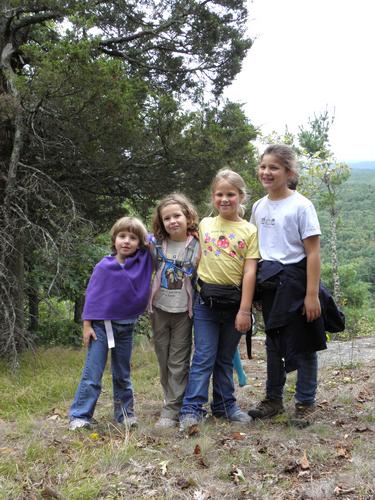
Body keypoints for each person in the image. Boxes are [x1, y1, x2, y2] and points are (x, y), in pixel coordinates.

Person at [248, 144, 326, 422]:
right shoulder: (258, 206)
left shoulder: (302, 206)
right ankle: (273, 399)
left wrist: (312, 294)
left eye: (274, 167)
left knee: (304, 343)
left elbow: (313, 252)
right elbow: (254, 251)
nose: (266, 172)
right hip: (269, 284)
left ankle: (305, 402)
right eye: (263, 166)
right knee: (273, 343)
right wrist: (255, 289)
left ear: (289, 172)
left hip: (297, 282)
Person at [179, 169, 260, 431]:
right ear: (213, 197)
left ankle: (225, 405)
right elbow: (188, 247)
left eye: (230, 195)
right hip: (206, 302)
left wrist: (245, 310)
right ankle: (192, 409)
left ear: (240, 196)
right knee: (203, 356)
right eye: (219, 194)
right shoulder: (204, 224)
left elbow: (250, 272)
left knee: (224, 358)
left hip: (234, 305)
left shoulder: (249, 230)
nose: (225, 199)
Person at [69, 217, 153, 431]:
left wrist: (146, 239)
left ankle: (125, 414)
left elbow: (155, 238)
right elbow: (93, 297)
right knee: (93, 374)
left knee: (122, 374)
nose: (126, 241)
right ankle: (80, 416)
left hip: (126, 327)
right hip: (101, 327)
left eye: (133, 238)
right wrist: (87, 326)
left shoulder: (142, 260)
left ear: (140, 243)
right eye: (122, 236)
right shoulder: (104, 266)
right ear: (114, 239)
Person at [148, 193, 200, 428]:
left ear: (188, 217)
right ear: (161, 222)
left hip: (183, 312)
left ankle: (172, 410)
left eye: (177, 215)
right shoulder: (156, 245)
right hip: (159, 309)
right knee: (162, 358)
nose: (173, 221)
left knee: (178, 361)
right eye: (167, 218)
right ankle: (171, 400)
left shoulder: (198, 244)